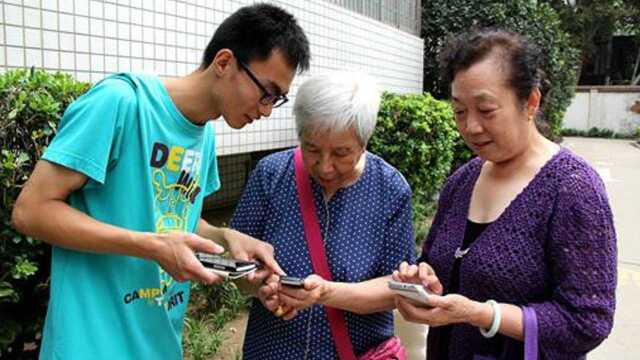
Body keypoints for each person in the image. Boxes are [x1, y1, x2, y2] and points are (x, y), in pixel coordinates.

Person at [10, 3, 310, 359]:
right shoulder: (120, 102)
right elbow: (31, 211)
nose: (265, 109)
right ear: (225, 62)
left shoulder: (205, 137)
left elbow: (179, 218)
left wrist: (226, 237)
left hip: (159, 343)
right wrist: (151, 246)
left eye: (276, 100)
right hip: (91, 345)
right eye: (266, 92)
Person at [393, 29, 617, 359]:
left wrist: (482, 314)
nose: (470, 126)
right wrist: (422, 279)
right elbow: (437, 263)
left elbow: (587, 321)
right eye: (459, 111)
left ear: (531, 102)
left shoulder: (572, 188)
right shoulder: (462, 181)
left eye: (486, 110)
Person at [231, 72, 416, 359]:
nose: (325, 167)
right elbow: (236, 265)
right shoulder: (271, 175)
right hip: (272, 349)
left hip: (355, 351)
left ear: (364, 142)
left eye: (342, 153)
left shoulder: (390, 189)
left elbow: (396, 288)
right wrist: (260, 287)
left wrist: (325, 293)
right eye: (312, 149)